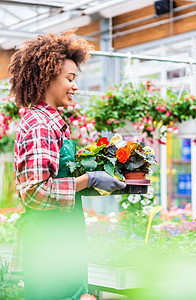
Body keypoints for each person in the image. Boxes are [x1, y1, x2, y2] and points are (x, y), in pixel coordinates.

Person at [8, 31, 126, 300]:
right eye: (69, 79)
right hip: (50, 249)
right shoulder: (40, 126)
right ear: (47, 77)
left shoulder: (53, 124)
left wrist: (103, 176)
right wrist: (90, 180)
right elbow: (36, 193)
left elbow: (60, 180)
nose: (75, 87)